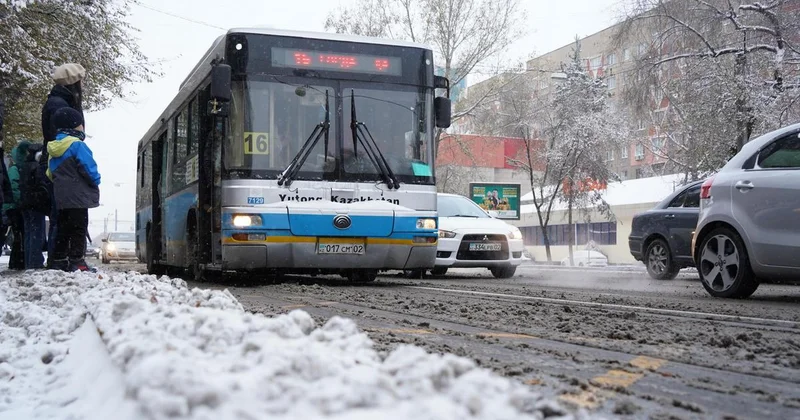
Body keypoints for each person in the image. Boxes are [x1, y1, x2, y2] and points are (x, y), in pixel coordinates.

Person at [41, 63, 86, 268]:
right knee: (67, 217)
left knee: (61, 215)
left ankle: (58, 260)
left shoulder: (56, 101)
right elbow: (61, 141)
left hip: (59, 169)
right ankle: (62, 260)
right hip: (66, 171)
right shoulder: (61, 106)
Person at [46, 108, 100, 272]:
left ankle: (59, 259)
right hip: (78, 196)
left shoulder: (53, 148)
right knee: (79, 228)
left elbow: (49, 173)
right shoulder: (77, 145)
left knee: (63, 228)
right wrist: (96, 180)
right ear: (74, 126)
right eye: (80, 124)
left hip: (62, 197)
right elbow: (88, 168)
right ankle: (77, 260)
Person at [17, 140, 48, 269]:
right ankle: (35, 263)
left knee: (29, 234)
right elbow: (42, 186)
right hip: (35, 205)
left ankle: (29, 262)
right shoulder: (36, 167)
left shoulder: (24, 166)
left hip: (25, 204)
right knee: (36, 234)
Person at [4, 147, 25, 269]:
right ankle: (17, 261)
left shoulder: (15, 168)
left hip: (13, 205)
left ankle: (16, 261)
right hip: (14, 206)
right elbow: (13, 187)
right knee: (19, 234)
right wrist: (19, 200)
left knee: (18, 234)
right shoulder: (15, 169)